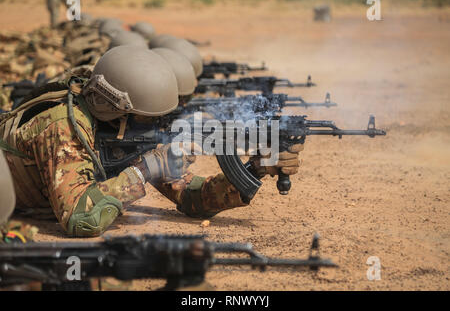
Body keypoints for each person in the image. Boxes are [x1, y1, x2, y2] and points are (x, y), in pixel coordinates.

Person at [0, 45, 303, 237]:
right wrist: (145, 170)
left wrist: (254, 168)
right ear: (112, 109)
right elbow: (79, 217)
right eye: (150, 119)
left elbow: (192, 197)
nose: (160, 126)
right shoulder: (64, 125)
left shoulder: (123, 131)